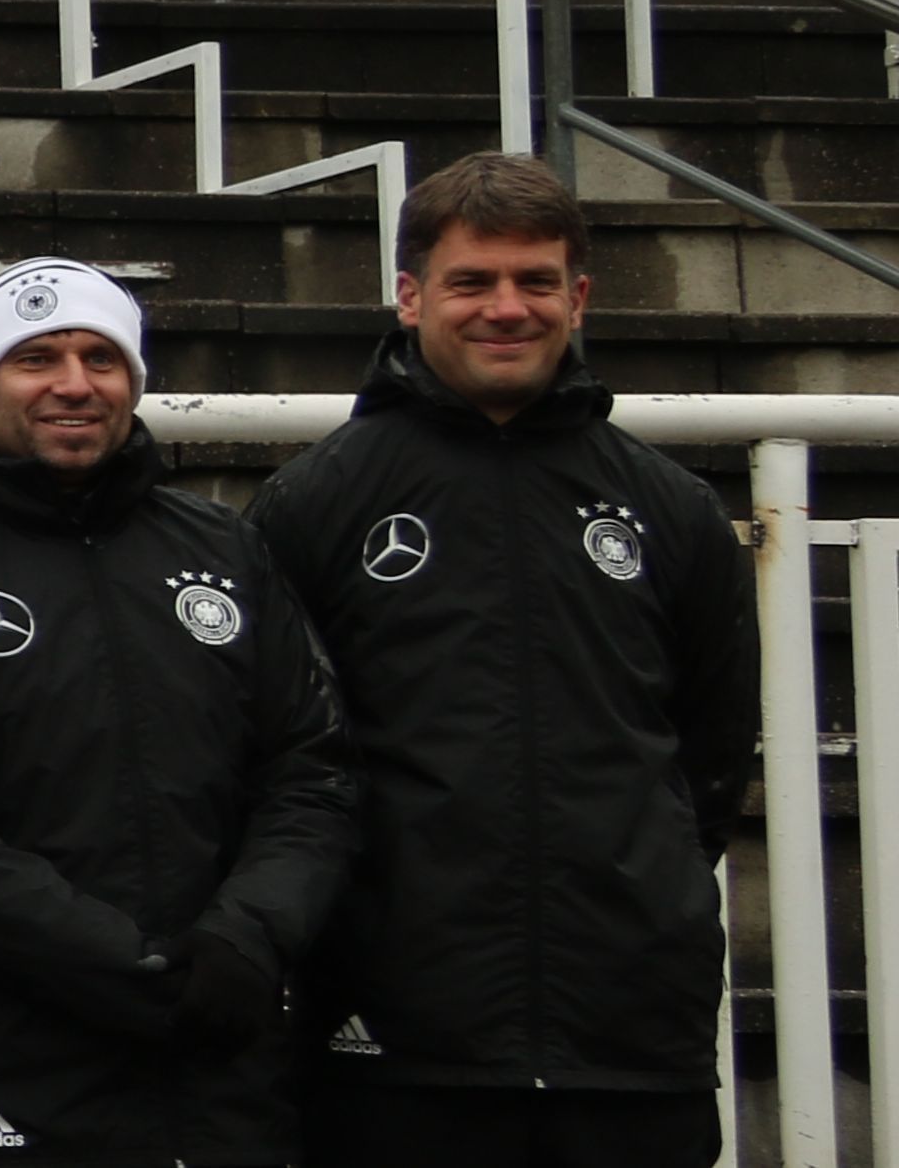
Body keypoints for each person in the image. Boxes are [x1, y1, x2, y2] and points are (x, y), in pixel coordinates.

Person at [250, 155, 749, 1168]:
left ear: (579, 296)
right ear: (408, 295)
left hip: (629, 1041)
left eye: (535, 281)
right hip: (396, 1041)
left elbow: (710, 761)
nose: (506, 308)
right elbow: (274, 750)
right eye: (472, 281)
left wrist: (637, 888)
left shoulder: (671, 508)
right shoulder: (314, 503)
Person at [0, 258, 352, 1167]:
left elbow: (314, 768)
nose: (74, 384)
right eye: (37, 358)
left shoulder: (227, 549)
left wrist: (248, 934)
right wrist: (120, 965)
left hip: (219, 1055)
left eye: (100, 358)